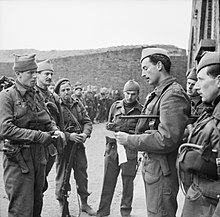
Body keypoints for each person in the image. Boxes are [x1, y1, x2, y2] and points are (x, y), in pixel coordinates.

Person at [115, 47, 191, 217]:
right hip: (155, 168)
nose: (143, 74)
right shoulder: (160, 93)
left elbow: (167, 139)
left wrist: (130, 140)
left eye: (145, 68)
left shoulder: (172, 95)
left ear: (158, 65)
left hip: (162, 171)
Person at [0, 54, 65, 217]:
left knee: (37, 205)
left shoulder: (35, 95)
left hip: (39, 158)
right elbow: (5, 129)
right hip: (18, 159)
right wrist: (38, 136)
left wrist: (54, 129)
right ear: (19, 74)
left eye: (36, 72)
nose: (35, 76)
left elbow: (46, 119)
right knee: (21, 209)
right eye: (30, 72)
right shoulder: (7, 96)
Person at [180, 51, 220, 217]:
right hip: (199, 198)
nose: (196, 86)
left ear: (219, 81)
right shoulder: (211, 110)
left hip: (209, 206)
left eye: (201, 80)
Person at [96, 80, 143, 217]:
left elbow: (141, 132)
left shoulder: (141, 110)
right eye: (127, 93)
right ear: (123, 93)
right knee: (108, 182)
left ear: (137, 94)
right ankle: (103, 211)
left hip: (129, 151)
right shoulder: (115, 106)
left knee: (128, 183)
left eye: (133, 94)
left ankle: (125, 212)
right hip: (112, 149)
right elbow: (108, 124)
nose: (129, 97)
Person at [54, 78, 96, 216]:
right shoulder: (55, 107)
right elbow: (52, 127)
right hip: (63, 147)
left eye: (68, 89)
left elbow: (87, 121)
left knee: (82, 174)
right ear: (58, 93)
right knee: (63, 178)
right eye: (63, 90)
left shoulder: (78, 104)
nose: (67, 92)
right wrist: (68, 136)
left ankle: (84, 203)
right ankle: (63, 205)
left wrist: (84, 134)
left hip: (78, 146)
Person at [36, 59, 65, 192]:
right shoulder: (32, 95)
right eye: (46, 74)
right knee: (35, 181)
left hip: (51, 145)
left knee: (43, 179)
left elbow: (60, 120)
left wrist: (61, 137)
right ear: (37, 74)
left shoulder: (53, 97)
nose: (49, 77)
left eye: (51, 74)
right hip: (36, 143)